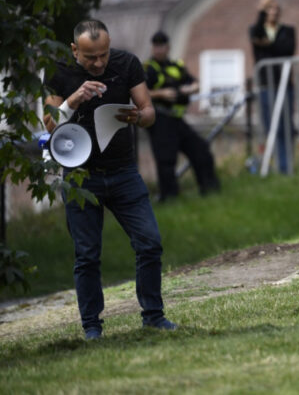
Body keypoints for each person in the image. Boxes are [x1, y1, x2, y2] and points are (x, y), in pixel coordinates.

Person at [43, 19, 177, 340]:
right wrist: (74, 99)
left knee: (150, 242)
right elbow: (50, 126)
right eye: (90, 57)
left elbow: (148, 112)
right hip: (80, 177)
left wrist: (137, 117)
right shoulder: (58, 72)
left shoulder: (126, 63)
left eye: (103, 54)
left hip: (123, 172)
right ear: (75, 50)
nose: (99, 63)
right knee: (87, 255)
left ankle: (154, 316)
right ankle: (92, 327)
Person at [144, 31, 220, 201]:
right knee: (166, 160)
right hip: (160, 120)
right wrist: (161, 94)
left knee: (200, 150)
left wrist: (189, 89)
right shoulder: (148, 68)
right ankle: (169, 198)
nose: (158, 50)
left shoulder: (176, 66)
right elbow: (140, 93)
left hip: (177, 119)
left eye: (161, 46)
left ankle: (210, 190)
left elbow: (195, 83)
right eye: (155, 46)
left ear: (168, 47)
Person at [249, 0, 297, 174]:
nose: (273, 13)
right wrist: (260, 12)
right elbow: (256, 37)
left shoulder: (288, 31)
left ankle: (285, 167)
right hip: (265, 86)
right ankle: (270, 164)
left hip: (284, 85)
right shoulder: (256, 29)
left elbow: (286, 50)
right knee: (270, 127)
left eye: (276, 9)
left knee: (285, 126)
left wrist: (266, 45)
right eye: (269, 9)